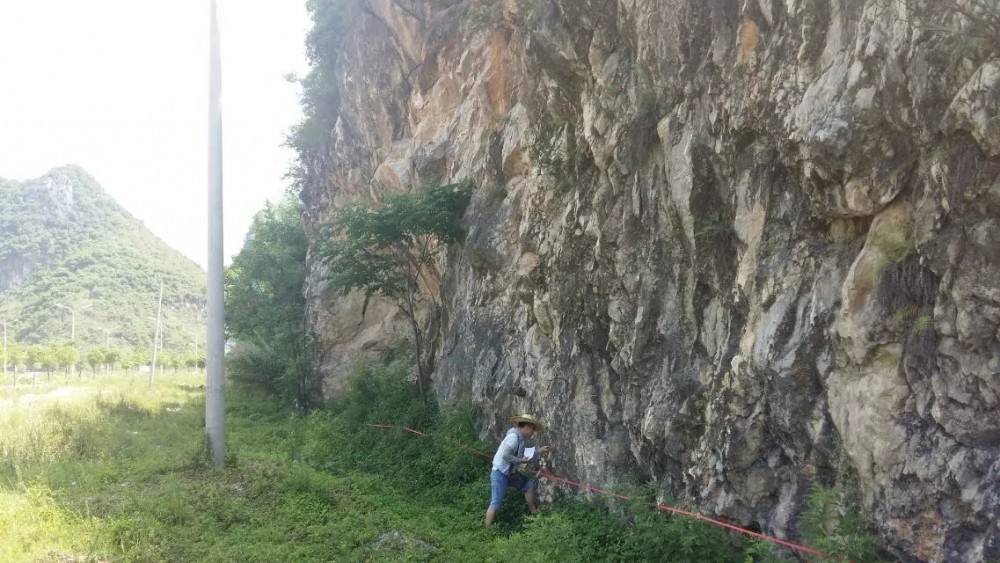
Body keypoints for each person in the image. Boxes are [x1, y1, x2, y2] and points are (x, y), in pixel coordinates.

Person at [484, 414, 552, 527]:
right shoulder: (513, 438)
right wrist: (520, 460)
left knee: (528, 486)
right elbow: (506, 455)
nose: (533, 432)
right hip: (500, 473)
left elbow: (524, 452)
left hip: (510, 473)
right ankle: (486, 531)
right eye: (533, 429)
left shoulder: (520, 438)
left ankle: (534, 512)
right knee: (495, 504)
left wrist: (539, 450)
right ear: (527, 427)